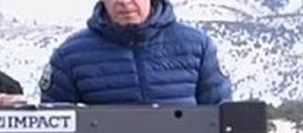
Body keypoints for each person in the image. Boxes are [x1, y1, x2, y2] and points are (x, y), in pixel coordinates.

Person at [32, 0, 231, 107]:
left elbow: (220, 117)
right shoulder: (70, 56)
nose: (125, 2)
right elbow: (56, 129)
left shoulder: (198, 47)